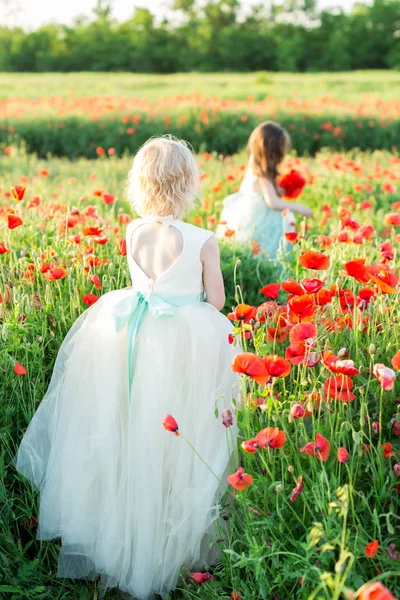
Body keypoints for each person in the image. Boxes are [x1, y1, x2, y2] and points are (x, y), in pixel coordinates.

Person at [12, 137, 239, 600]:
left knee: (127, 433)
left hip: (130, 337)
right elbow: (215, 302)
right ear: (188, 182)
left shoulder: (134, 230)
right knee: (174, 444)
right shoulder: (201, 240)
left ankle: (118, 543)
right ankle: (165, 551)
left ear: (141, 182)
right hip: (180, 344)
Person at [216, 121, 313, 258]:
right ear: (273, 150)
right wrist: (299, 208)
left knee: (262, 253)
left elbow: (263, 192)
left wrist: (281, 190)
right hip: (262, 219)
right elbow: (272, 202)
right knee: (269, 254)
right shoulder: (261, 172)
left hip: (256, 214)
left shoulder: (256, 165)